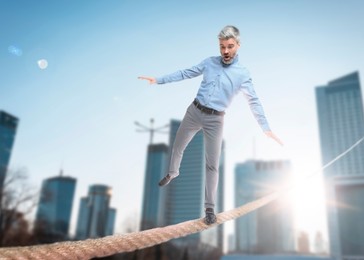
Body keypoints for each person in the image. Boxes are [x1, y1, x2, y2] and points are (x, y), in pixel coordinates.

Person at [138, 25, 283, 225]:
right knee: (178, 145)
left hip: (216, 119)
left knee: (212, 165)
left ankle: (209, 209)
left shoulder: (243, 74)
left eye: (230, 46)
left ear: (238, 46)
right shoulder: (209, 63)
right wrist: (158, 80)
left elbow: (254, 101)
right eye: (222, 46)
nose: (225, 51)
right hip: (194, 111)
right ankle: (173, 173)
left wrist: (265, 128)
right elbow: (185, 73)